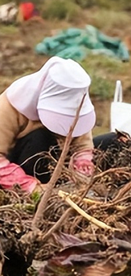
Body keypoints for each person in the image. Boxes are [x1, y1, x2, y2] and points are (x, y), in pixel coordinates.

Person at [0, 57, 96, 194]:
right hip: (18, 167)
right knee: (39, 137)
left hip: (60, 165)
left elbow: (83, 148)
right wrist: (30, 187)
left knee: (115, 141)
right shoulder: (8, 107)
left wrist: (82, 174)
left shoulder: (78, 106)